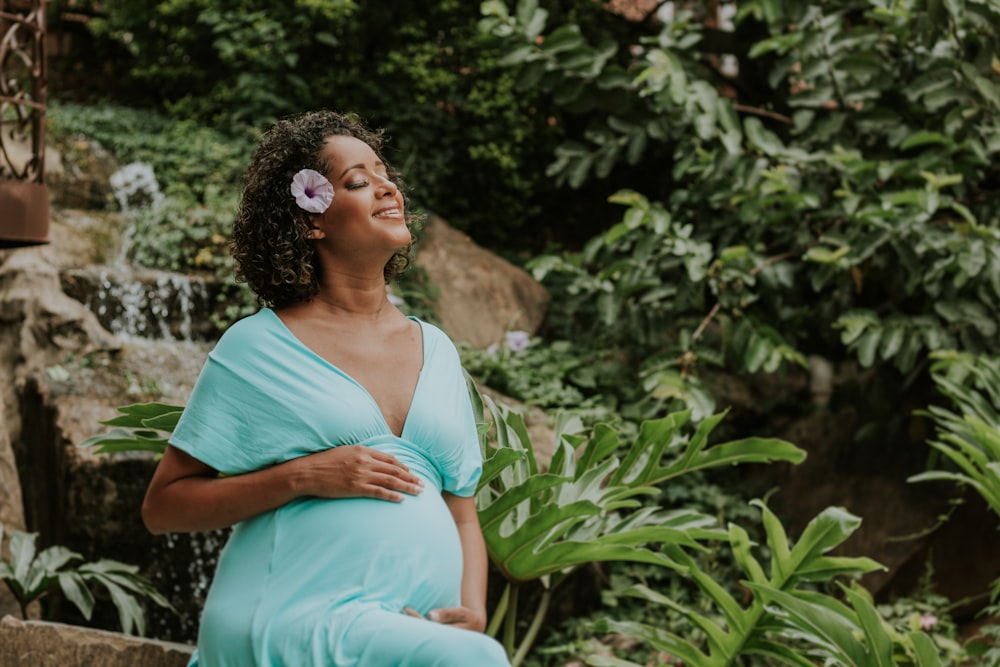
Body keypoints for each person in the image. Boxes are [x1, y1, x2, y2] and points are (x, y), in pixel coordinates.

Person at [141, 110, 511, 667]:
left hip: (406, 626)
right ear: (312, 220)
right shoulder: (259, 346)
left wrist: (472, 610)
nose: (388, 187)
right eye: (358, 182)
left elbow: (460, 508)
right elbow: (164, 506)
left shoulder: (436, 349)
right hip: (292, 609)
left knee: (472, 652)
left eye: (386, 176)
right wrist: (307, 475)